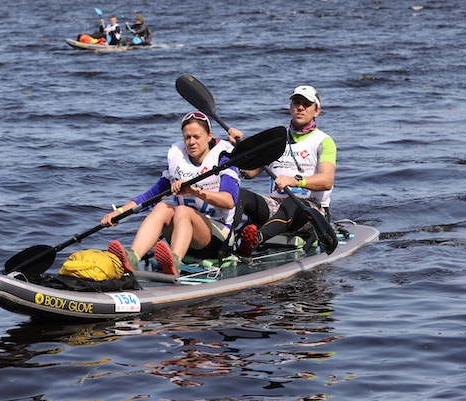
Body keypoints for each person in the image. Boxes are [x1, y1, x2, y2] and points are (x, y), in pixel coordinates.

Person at [102, 111, 240, 276]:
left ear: (209, 136)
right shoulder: (177, 159)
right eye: (187, 137)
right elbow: (149, 197)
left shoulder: (223, 158)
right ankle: (133, 257)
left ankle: (174, 262)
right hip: (186, 237)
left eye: (197, 137)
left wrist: (195, 191)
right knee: (162, 208)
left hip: (218, 238)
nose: (191, 142)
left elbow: (229, 201)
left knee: (182, 211)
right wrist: (118, 213)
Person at [229, 85, 336, 256]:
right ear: (291, 107)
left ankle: (256, 239)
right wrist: (240, 151)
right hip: (275, 207)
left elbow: (326, 181)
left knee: (292, 202)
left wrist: (295, 181)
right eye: (296, 103)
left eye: (306, 104)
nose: (300, 107)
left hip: (310, 212)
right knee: (240, 195)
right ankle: (225, 242)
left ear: (317, 111)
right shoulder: (277, 140)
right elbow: (249, 173)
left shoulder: (323, 141)